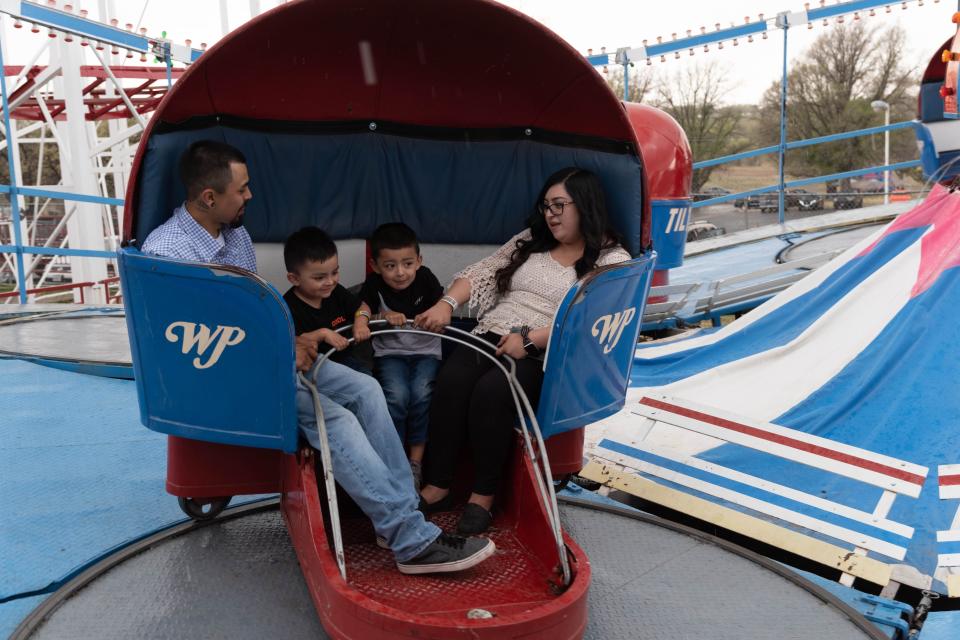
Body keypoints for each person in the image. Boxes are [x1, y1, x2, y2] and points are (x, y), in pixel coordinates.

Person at [142, 140, 495, 575]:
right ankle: (411, 542)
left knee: (367, 389)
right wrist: (285, 350)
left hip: (271, 361)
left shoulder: (234, 237)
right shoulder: (168, 253)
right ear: (209, 197)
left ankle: (402, 518)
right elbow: (192, 342)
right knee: (337, 421)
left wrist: (299, 340)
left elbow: (249, 315)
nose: (250, 196)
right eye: (243, 189)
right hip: (231, 376)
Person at [415, 167, 631, 535]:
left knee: (491, 393)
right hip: (493, 330)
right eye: (547, 205)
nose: (551, 214)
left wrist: (530, 340)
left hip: (547, 352)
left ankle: (483, 496)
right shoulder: (532, 239)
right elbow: (485, 270)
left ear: (586, 205)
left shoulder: (611, 260)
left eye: (560, 205)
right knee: (451, 380)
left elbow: (588, 321)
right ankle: (438, 486)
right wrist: (446, 303)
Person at [358, 223, 444, 490]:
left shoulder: (426, 278)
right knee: (396, 397)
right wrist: (378, 318)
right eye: (390, 266)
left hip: (426, 352)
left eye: (407, 264)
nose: (400, 273)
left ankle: (414, 463)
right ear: (375, 266)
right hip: (390, 354)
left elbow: (443, 310)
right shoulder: (373, 285)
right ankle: (393, 463)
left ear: (419, 261)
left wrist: (433, 318)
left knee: (421, 395)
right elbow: (361, 312)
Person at [283, 226, 373, 375]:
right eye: (319, 278)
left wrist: (361, 322)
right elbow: (294, 341)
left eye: (335, 272)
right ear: (294, 279)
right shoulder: (287, 307)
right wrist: (322, 334)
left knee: (369, 380)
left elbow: (362, 307)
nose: (330, 281)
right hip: (313, 368)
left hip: (347, 360)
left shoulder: (335, 291)